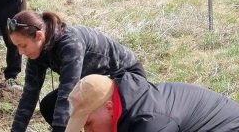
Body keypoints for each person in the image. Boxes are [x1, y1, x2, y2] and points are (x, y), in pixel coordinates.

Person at [9, 11, 145, 132]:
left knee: (98, 112)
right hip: (96, 82)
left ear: (39, 36)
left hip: (126, 78)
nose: (21, 52)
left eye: (23, 45)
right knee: (49, 106)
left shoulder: (70, 43)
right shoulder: (36, 52)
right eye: (17, 47)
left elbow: (66, 92)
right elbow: (29, 95)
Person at [66, 73, 239, 132]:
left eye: (89, 124)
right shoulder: (129, 101)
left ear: (109, 108)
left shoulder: (152, 122)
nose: (88, 131)